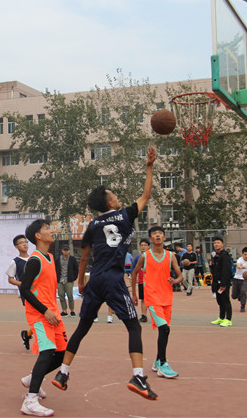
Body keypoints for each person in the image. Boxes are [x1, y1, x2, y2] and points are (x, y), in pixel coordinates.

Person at [52, 147, 158, 400]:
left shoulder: (92, 224)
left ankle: (63, 373)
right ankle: (138, 376)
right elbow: (146, 195)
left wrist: (81, 283)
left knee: (83, 327)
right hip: (112, 278)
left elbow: (84, 257)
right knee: (133, 325)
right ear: (110, 203)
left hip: (95, 279)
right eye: (114, 195)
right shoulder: (125, 214)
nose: (117, 197)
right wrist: (149, 167)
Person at [19, 219, 68, 416]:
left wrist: (51, 310)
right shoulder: (34, 260)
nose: (51, 231)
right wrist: (44, 310)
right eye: (47, 228)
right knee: (47, 351)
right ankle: (30, 400)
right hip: (39, 314)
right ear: (38, 236)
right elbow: (25, 289)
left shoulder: (50, 257)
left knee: (63, 354)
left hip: (53, 313)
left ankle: (33, 378)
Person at [132, 226, 183, 378]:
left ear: (164, 237)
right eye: (154, 234)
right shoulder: (145, 256)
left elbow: (180, 275)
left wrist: (175, 280)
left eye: (160, 233)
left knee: (164, 330)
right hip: (152, 297)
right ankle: (163, 364)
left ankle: (157, 361)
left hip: (166, 297)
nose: (158, 236)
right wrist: (134, 294)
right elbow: (134, 273)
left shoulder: (171, 256)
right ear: (151, 239)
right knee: (164, 329)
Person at [5, 234, 34, 350]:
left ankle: (27, 334)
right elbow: (10, 279)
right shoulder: (15, 262)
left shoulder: (34, 259)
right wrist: (23, 284)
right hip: (27, 294)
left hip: (39, 292)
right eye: (21, 243)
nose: (25, 244)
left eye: (26, 242)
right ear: (16, 247)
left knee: (43, 318)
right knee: (38, 319)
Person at [210, 237, 233, 327]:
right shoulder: (215, 255)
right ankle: (221, 317)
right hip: (216, 281)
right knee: (219, 300)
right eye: (215, 243)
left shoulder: (225, 256)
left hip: (223, 282)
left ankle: (228, 319)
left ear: (222, 244)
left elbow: (226, 271)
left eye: (218, 243)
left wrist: (224, 283)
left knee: (225, 300)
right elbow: (216, 269)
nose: (216, 244)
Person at [131, 239, 151, 323]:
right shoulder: (138, 257)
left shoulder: (152, 256)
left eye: (145, 245)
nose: (143, 247)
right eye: (141, 245)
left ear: (148, 246)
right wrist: (134, 278)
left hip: (151, 281)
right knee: (143, 299)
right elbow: (133, 270)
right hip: (142, 281)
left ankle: (157, 315)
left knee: (153, 299)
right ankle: (144, 315)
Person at [56, 244, 78, 317]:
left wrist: (74, 278)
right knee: (61, 295)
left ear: (69, 251)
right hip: (60, 280)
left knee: (70, 295)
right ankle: (64, 311)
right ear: (62, 251)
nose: (65, 251)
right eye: (64, 250)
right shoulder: (58, 259)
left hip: (69, 280)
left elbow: (76, 269)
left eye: (67, 250)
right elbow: (55, 269)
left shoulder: (72, 259)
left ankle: (72, 310)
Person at [232, 247, 247, 313]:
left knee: (243, 292)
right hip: (237, 279)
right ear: (242, 254)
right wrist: (240, 267)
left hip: (245, 279)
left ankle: (243, 306)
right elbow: (238, 265)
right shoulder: (240, 260)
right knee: (234, 296)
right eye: (245, 254)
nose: (246, 256)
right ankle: (239, 296)